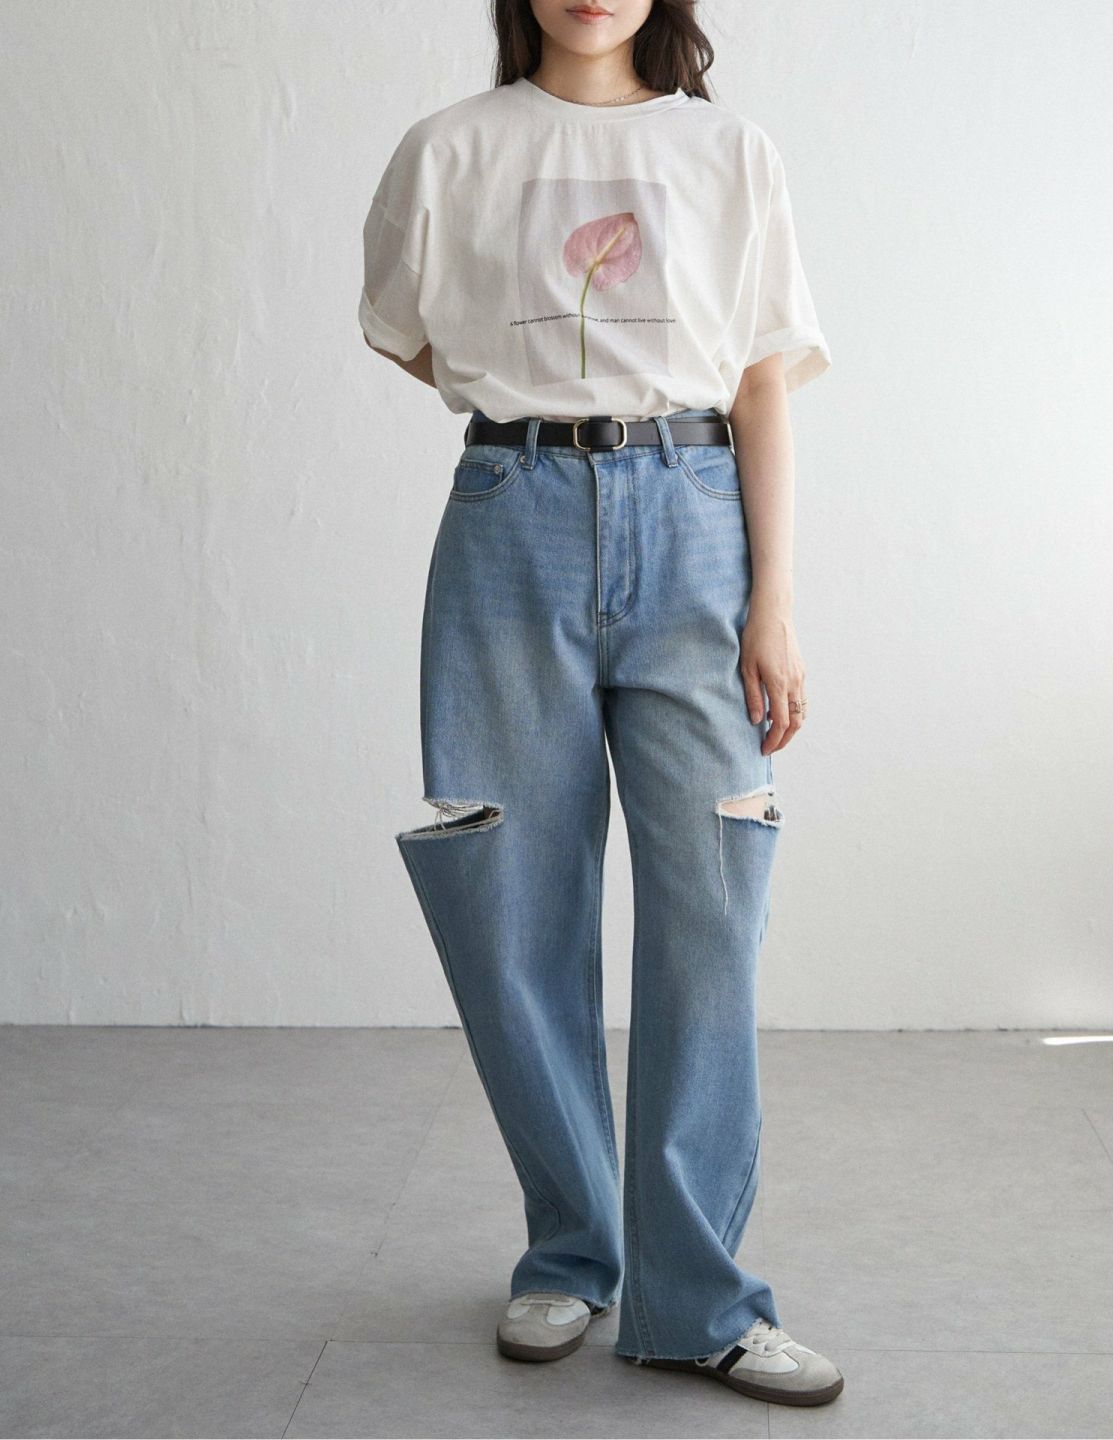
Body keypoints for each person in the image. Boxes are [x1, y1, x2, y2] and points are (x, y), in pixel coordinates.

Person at [358, 0, 842, 1409]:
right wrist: (530, 397)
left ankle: (701, 1299)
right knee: (513, 903)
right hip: (510, 516)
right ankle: (571, 1250)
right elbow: (409, 334)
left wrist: (773, 600)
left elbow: (761, 382)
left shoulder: (728, 151)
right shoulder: (450, 147)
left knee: (710, 907)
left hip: (695, 515)